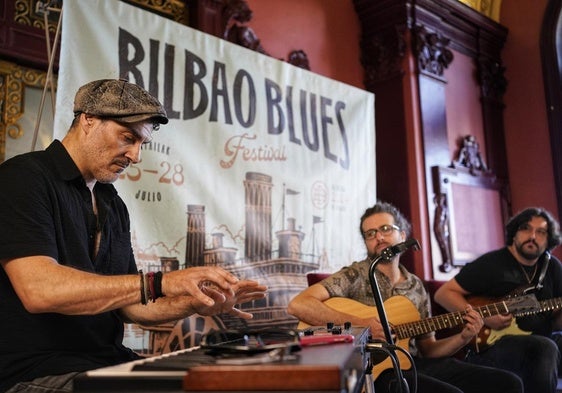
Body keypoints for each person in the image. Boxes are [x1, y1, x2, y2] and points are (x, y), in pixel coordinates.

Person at [0, 79, 267, 393]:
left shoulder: (112, 203)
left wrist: (196, 302)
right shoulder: (23, 178)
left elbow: (132, 307)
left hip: (105, 363)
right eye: (128, 138)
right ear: (88, 119)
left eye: (142, 144)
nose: (136, 155)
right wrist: (161, 281)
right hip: (34, 373)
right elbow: (39, 290)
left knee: (223, 381)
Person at [287, 201, 523, 393]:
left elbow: (429, 349)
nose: (379, 237)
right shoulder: (355, 275)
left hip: (415, 362)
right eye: (370, 234)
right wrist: (363, 324)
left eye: (386, 229)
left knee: (508, 384)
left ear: (402, 234)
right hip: (376, 368)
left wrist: (463, 337)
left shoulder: (416, 286)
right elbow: (299, 305)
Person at [434, 207, 562, 393]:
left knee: (546, 344)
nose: (532, 236)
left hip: (540, 338)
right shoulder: (492, 263)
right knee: (545, 347)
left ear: (549, 239)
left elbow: (556, 324)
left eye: (541, 232)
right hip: (492, 344)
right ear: (515, 233)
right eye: (526, 228)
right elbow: (443, 294)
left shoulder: (552, 268)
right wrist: (483, 317)